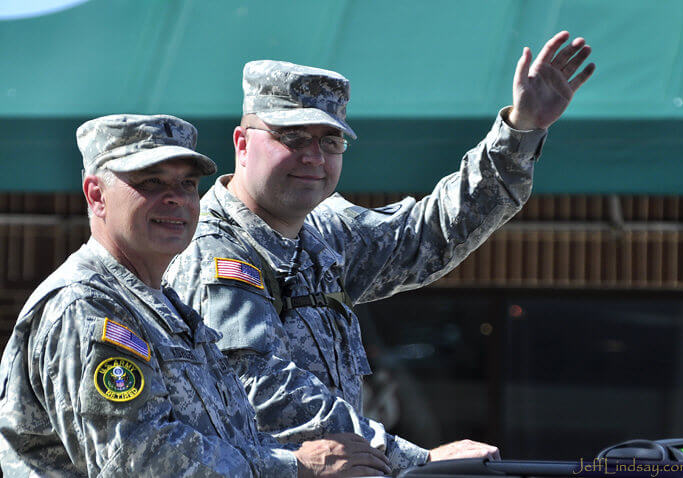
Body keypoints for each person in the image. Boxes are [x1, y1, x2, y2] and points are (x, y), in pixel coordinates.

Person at [166, 31, 595, 470]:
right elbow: (261, 387)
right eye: (293, 137)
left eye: (330, 141)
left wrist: (521, 130)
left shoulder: (322, 233)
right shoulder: (213, 250)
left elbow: (428, 235)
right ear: (242, 142)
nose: (314, 156)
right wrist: (413, 459)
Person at [0, 114, 391, 477]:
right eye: (150, 182)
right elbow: (142, 460)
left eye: (187, 184)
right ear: (97, 196)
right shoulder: (86, 309)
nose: (176, 198)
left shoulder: (162, 308)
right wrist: (297, 467)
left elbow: (231, 442)